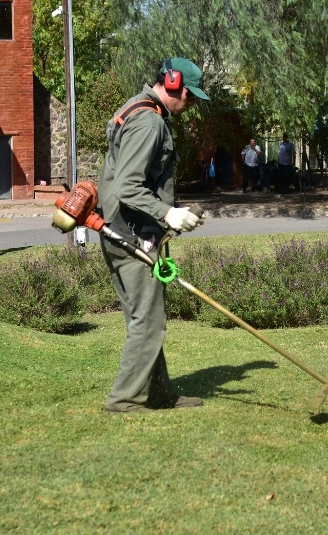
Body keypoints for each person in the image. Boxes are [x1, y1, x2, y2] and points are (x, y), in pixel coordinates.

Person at [97, 57, 210, 414]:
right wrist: (167, 213)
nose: (191, 104)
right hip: (131, 236)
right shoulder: (148, 122)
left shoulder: (139, 109)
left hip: (123, 230)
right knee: (148, 321)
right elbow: (128, 187)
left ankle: (159, 394)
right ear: (173, 83)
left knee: (146, 317)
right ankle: (125, 400)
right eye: (189, 96)